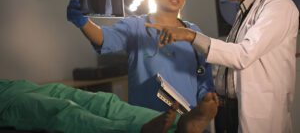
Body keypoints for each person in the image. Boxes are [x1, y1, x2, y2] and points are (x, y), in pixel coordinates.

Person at [145, 0, 299, 133]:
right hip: (231, 110)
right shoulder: (245, 10)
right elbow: (236, 58)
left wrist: (190, 35)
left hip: (261, 112)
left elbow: (243, 54)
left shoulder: (278, 6)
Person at [67, 0, 214, 112]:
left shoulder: (193, 32)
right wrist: (83, 22)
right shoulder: (136, 26)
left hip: (186, 121)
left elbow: (204, 76)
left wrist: (206, 100)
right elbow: (104, 38)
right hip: (148, 120)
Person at [0, 79, 219, 133]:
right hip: (6, 101)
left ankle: (183, 124)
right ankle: (137, 130)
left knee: (102, 101)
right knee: (60, 109)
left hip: (13, 85)